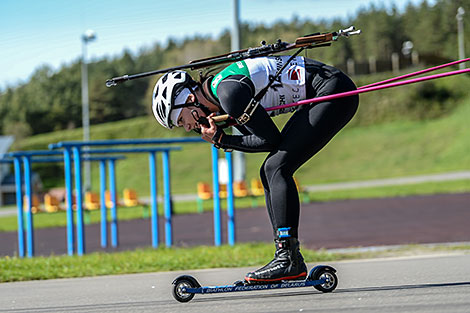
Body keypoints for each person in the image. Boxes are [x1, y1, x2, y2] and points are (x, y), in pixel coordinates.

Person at [152, 55, 359, 284]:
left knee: (276, 168)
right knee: (270, 170)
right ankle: (287, 256)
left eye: (182, 120)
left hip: (333, 91)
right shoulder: (222, 94)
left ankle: (288, 258)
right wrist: (224, 135)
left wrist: (222, 139)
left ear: (190, 98)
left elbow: (269, 141)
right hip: (321, 91)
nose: (188, 127)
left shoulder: (229, 94)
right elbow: (264, 138)